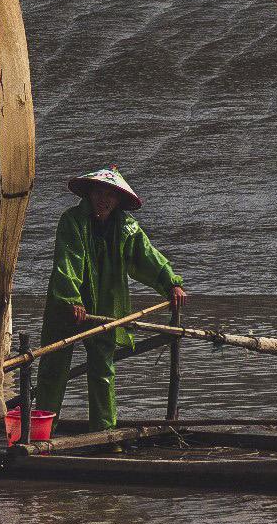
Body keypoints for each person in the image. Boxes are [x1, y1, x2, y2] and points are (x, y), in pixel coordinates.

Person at [34, 167, 188, 433]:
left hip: (105, 307)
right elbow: (67, 262)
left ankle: (104, 433)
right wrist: (72, 299)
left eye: (110, 195)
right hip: (66, 307)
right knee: (53, 370)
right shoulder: (72, 221)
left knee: (103, 371)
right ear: (90, 194)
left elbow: (147, 257)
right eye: (99, 192)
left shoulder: (126, 228)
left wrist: (171, 283)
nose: (104, 199)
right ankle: (42, 432)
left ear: (117, 201)